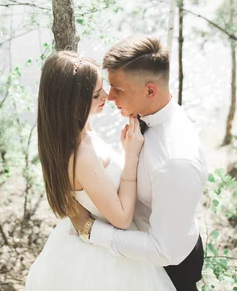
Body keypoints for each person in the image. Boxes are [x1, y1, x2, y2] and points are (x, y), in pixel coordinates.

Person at [25, 50, 175, 290]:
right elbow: (122, 218)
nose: (107, 95)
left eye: (102, 87)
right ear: (74, 102)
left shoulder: (74, 130)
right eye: (96, 95)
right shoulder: (82, 154)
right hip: (105, 261)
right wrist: (131, 156)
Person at [69, 35, 207, 291]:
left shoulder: (175, 162)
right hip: (138, 257)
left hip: (169, 272)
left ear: (150, 90)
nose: (109, 98)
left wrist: (89, 229)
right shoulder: (153, 113)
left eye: (118, 90)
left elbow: (165, 251)